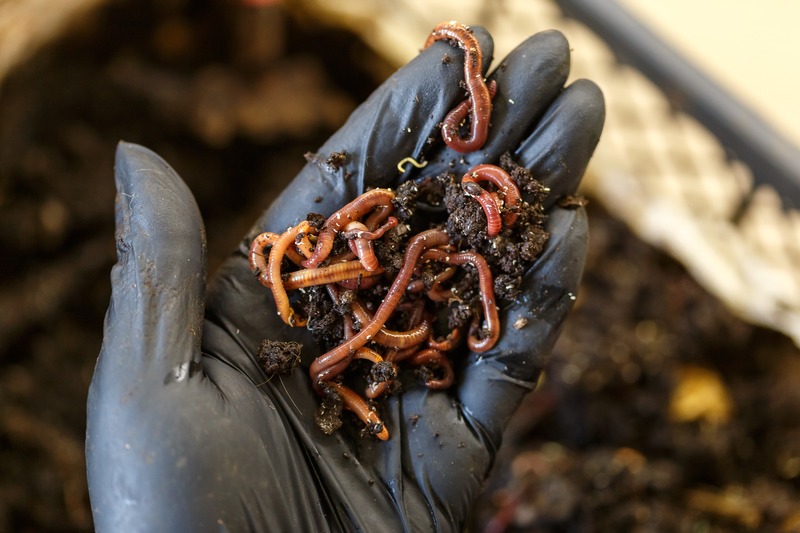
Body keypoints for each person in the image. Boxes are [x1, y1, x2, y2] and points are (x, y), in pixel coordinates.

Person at [86, 25, 604, 531]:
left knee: (404, 270)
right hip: (356, 280)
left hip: (375, 276)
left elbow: (388, 267)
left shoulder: (384, 268)